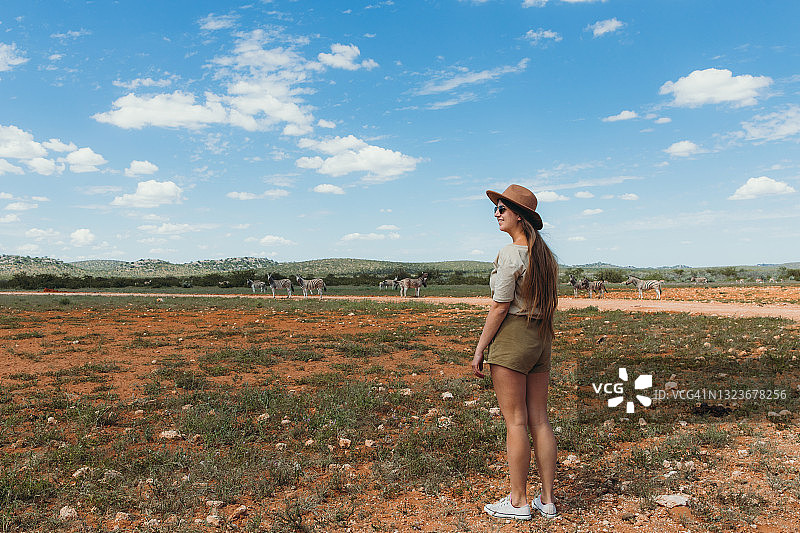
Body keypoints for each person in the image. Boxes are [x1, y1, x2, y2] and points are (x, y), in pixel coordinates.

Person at [472, 184, 559, 521]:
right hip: (540, 338)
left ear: (519, 217)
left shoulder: (510, 253)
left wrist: (481, 348)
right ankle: (547, 500)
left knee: (515, 421)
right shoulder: (544, 257)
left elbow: (499, 307)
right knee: (539, 418)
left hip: (512, 337)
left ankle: (519, 501)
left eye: (502, 209)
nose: (496, 214)